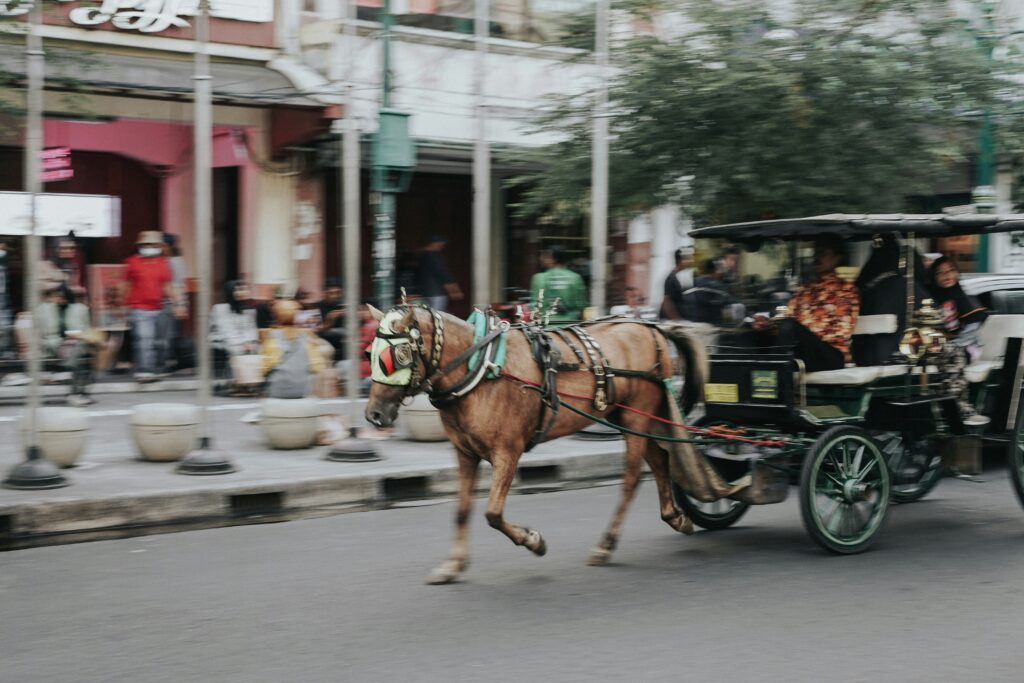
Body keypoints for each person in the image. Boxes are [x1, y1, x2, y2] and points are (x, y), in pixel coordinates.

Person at [750, 235, 859, 373]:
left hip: (830, 355)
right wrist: (768, 326)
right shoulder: (805, 289)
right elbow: (787, 320)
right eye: (815, 253)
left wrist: (799, 329)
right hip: (801, 348)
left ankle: (774, 372)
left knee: (790, 326)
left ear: (838, 258)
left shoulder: (847, 291)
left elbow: (841, 332)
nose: (816, 257)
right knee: (752, 330)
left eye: (823, 253)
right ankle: (746, 374)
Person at [929, 255, 989, 425]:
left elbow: (972, 328)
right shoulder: (932, 299)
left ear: (956, 273)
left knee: (951, 355)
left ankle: (963, 409)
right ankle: (938, 410)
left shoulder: (963, 298)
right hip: (941, 347)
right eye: (941, 273)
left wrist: (953, 344)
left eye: (950, 271)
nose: (947, 276)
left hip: (967, 346)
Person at [123, 231, 182, 381]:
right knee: (144, 338)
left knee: (159, 341)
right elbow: (125, 284)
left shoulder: (164, 263)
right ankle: (144, 370)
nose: (149, 247)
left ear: (159, 246)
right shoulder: (132, 262)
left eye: (153, 244)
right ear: (140, 246)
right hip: (139, 308)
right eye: (146, 244)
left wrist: (178, 303)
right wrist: (121, 305)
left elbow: (168, 285)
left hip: (159, 307)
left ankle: (155, 368)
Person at [260, 299, 331, 399]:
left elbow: (265, 367)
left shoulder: (272, 337)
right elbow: (317, 367)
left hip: (277, 390)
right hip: (302, 390)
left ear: (276, 316)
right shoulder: (307, 336)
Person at [38, 283, 96, 406]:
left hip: (75, 344)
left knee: (83, 353)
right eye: (57, 297)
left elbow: (86, 330)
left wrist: (76, 337)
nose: (58, 300)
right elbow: (39, 333)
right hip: (53, 345)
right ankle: (75, 390)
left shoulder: (80, 309)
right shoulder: (45, 309)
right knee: (79, 355)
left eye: (61, 297)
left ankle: (79, 392)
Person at [210, 280, 259, 384]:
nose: (242, 292)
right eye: (238, 290)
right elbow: (226, 330)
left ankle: (250, 379)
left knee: (258, 349)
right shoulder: (220, 309)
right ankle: (234, 380)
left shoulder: (249, 311)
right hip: (220, 338)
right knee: (236, 349)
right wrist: (242, 344)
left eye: (244, 289)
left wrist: (251, 342)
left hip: (242, 340)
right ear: (230, 291)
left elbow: (251, 330)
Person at [529, 245, 586, 322]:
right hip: (570, 326)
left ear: (553, 259)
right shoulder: (575, 277)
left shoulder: (539, 278)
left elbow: (535, 307)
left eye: (545, 256)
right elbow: (580, 306)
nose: (541, 259)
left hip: (545, 327)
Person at [416, 235, 463, 312]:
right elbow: (443, 274)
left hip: (425, 293)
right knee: (437, 316)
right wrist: (454, 291)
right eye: (440, 243)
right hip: (437, 294)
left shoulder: (422, 256)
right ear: (434, 243)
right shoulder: (435, 257)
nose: (442, 245)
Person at [318, 278, 346, 360]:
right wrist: (330, 319)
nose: (334, 296)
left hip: (343, 348)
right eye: (331, 293)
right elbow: (317, 332)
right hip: (324, 347)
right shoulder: (318, 307)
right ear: (324, 293)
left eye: (338, 293)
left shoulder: (344, 306)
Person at [661, 247, 693, 320]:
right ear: (680, 260)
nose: (690, 261)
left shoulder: (680, 276)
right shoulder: (671, 278)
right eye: (688, 258)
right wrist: (676, 320)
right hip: (672, 322)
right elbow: (667, 301)